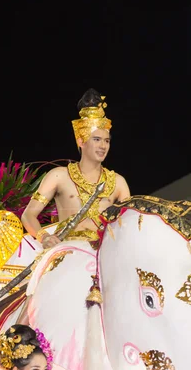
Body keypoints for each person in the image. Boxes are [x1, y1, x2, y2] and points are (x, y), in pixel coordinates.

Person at [21, 88, 130, 249]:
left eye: (106, 141)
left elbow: (128, 225)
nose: (103, 146)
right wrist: (44, 237)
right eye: (97, 139)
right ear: (81, 141)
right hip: (68, 253)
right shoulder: (59, 176)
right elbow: (28, 215)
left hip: (103, 255)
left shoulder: (118, 182)